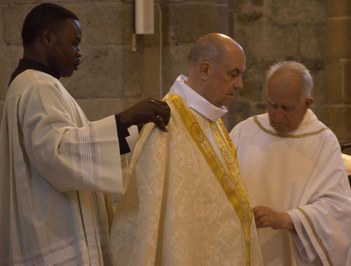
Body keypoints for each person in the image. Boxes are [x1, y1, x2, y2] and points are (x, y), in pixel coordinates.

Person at [0, 3, 170, 265]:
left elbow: (78, 145)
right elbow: (58, 153)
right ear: (47, 38)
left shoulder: (40, 85)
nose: (79, 53)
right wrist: (125, 118)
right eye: (74, 42)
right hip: (54, 244)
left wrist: (138, 133)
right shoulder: (37, 86)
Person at [110, 33, 263, 265]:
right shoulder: (165, 121)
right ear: (205, 70)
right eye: (234, 74)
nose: (240, 84)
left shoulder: (212, 121)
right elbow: (147, 221)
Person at [230, 61, 351, 265]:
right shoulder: (244, 132)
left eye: (287, 108)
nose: (278, 116)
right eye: (272, 105)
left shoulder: (323, 142)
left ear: (307, 103)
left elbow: (336, 210)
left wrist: (285, 219)